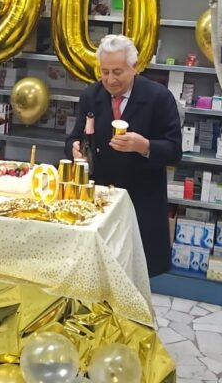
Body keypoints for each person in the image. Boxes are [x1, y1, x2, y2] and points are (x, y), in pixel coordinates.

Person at [65, 34, 182, 277]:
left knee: (135, 272)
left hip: (141, 201)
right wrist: (74, 149)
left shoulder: (158, 98)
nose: (110, 80)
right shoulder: (91, 96)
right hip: (99, 199)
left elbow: (174, 151)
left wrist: (145, 146)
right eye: (104, 72)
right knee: (95, 270)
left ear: (134, 67)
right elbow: (73, 137)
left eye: (117, 72)